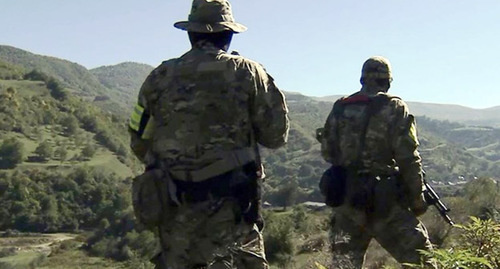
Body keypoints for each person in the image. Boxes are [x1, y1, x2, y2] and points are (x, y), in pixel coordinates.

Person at [128, 0, 289, 268]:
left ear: (191, 34)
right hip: (232, 207)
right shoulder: (248, 72)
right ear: (227, 35)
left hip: (175, 208)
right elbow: (276, 136)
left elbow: (138, 137)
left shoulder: (160, 76)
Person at [317, 56, 434, 268]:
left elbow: (327, 153)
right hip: (385, 203)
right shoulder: (394, 107)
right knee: (422, 262)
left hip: (346, 201)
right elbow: (409, 159)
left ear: (362, 79)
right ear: (388, 80)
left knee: (343, 265)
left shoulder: (341, 107)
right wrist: (417, 200)